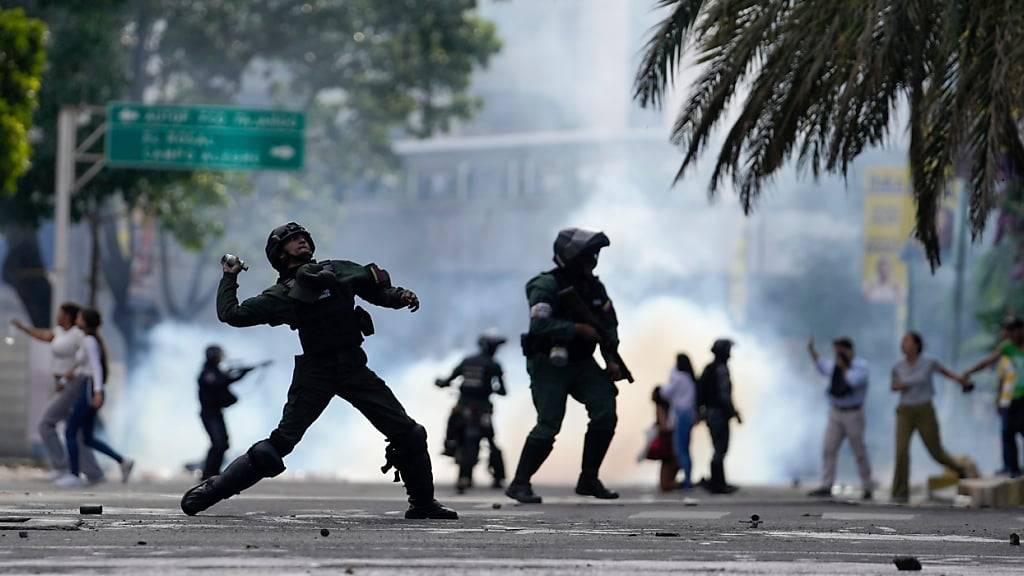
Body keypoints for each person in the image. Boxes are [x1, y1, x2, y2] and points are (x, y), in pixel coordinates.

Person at [180, 222, 456, 519]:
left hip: (353, 367)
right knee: (277, 447)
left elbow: (376, 290)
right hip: (316, 373)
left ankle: (423, 505)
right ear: (279, 254)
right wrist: (229, 275)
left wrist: (400, 296)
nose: (301, 242)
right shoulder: (281, 294)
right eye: (292, 240)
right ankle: (213, 490)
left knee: (410, 433)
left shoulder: (338, 270)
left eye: (303, 237)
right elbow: (231, 314)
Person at [506, 228, 630, 504]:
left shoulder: (594, 288)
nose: (592, 260)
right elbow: (539, 324)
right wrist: (576, 329)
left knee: (605, 409)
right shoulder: (546, 285)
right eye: (587, 255)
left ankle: (589, 478)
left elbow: (609, 326)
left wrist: (611, 360)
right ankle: (519, 483)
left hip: (582, 362)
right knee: (549, 423)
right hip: (549, 362)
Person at [10, 303, 104, 483]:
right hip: (64, 384)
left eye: (60, 313)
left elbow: (90, 364)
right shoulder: (61, 333)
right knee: (75, 432)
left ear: (69, 316)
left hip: (74, 386)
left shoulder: (80, 336)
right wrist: (23, 328)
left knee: (48, 423)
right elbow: (44, 336)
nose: (57, 316)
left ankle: (66, 468)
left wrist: (95, 390)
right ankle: (91, 472)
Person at [889, 331, 972, 503]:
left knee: (935, 451)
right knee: (901, 451)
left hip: (925, 410)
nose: (902, 344)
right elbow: (893, 386)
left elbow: (945, 373)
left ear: (917, 345)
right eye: (902, 341)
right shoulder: (898, 365)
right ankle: (899, 492)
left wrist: (962, 381)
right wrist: (900, 386)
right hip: (905, 410)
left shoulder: (928, 362)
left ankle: (961, 470)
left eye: (906, 341)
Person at [58, 308, 134, 487]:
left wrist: (98, 392)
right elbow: (82, 364)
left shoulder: (90, 341)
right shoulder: (89, 340)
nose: (76, 318)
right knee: (87, 437)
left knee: (70, 431)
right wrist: (66, 377)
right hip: (89, 386)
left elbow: (96, 367)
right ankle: (123, 462)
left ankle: (74, 474)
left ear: (85, 321)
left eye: (79, 317)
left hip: (89, 388)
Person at [435, 333, 508, 493]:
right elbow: (502, 389)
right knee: (491, 440)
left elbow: (449, 379)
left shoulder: (467, 361)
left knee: (452, 423)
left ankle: (450, 445)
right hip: (483, 408)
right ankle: (499, 476)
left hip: (463, 405)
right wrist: (497, 390)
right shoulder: (494, 365)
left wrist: (442, 383)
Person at [806, 336, 874, 500]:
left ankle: (867, 486)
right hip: (836, 412)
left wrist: (843, 368)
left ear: (849, 350)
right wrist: (812, 351)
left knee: (859, 451)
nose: (837, 355)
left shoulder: (861, 366)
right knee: (828, 448)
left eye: (840, 351)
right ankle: (827, 484)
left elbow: (852, 381)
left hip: (853, 413)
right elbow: (822, 366)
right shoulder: (834, 364)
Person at [962, 316, 1024, 476]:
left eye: (1011, 330)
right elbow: (987, 362)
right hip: (1010, 397)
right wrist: (969, 371)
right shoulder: (1007, 347)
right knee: (1007, 432)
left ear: (1020, 330)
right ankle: (1011, 468)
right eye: (1006, 330)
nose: (1008, 334)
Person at [197, 345, 266, 480]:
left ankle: (213, 472)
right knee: (218, 443)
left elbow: (225, 380)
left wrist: (243, 373)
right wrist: (238, 374)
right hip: (209, 413)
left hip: (215, 412)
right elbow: (220, 382)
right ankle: (208, 473)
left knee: (223, 443)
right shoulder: (208, 373)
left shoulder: (214, 371)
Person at [697, 339, 741, 494]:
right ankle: (718, 483)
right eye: (728, 350)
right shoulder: (720, 369)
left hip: (711, 413)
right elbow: (724, 396)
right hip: (718, 414)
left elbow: (701, 393)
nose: (730, 354)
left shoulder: (710, 368)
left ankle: (717, 482)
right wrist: (732, 412)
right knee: (720, 448)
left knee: (718, 448)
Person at [661, 353, 697, 490]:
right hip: (689, 414)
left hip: (681, 414)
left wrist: (671, 374)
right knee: (686, 448)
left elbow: (666, 393)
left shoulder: (678, 377)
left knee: (680, 449)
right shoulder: (690, 378)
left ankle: (686, 481)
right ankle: (688, 479)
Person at [648, 385, 679, 492]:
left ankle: (673, 483)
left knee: (667, 465)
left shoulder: (660, 407)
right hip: (670, 440)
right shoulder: (670, 406)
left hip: (666, 441)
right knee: (670, 464)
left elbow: (664, 425)